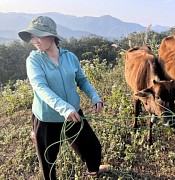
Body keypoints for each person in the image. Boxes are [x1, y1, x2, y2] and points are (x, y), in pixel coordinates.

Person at [18, 16, 110, 179]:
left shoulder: (70, 57)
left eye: (39, 35)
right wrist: (64, 108)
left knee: (92, 147)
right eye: (32, 36)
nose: (35, 40)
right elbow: (40, 87)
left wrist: (95, 97)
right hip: (47, 116)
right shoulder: (34, 60)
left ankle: (93, 170)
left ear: (52, 36)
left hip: (73, 113)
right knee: (48, 160)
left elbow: (82, 80)